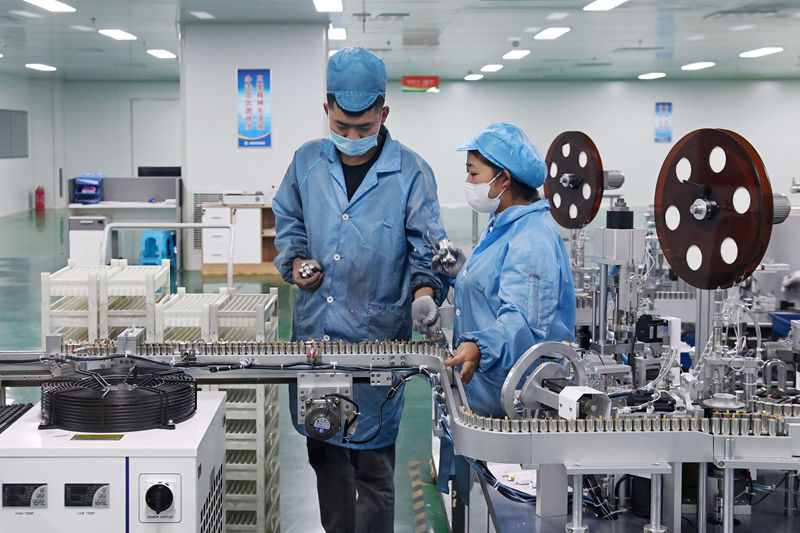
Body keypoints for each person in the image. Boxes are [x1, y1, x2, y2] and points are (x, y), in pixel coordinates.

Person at [272, 47, 448, 533]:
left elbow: (427, 250)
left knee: (374, 471)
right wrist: (296, 263)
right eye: (342, 127)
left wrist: (424, 294)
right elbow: (289, 223)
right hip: (318, 340)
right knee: (326, 458)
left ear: (384, 114)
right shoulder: (306, 161)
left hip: (378, 344)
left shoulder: (411, 172)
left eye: (364, 128)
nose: (352, 138)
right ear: (326, 109)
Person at [437, 122, 576, 417]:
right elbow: (496, 290)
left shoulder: (532, 238)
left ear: (504, 180)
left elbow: (523, 323)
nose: (468, 181)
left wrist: (479, 348)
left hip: (512, 402)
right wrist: (463, 274)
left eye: (473, 173)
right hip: (483, 391)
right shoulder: (503, 223)